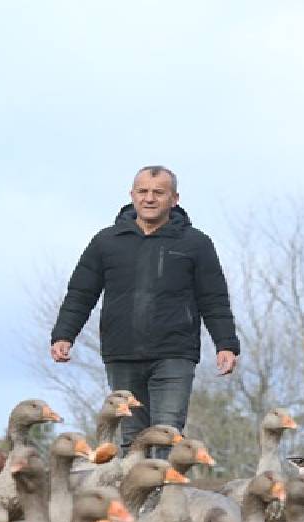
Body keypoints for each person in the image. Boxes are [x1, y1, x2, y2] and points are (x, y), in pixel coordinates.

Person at [50, 166, 240, 456]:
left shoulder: (195, 243)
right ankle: (134, 501)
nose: (149, 198)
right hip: (122, 353)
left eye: (158, 192)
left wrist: (226, 344)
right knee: (131, 438)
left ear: (174, 199)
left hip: (175, 354)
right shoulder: (106, 242)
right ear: (132, 195)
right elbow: (80, 293)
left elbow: (213, 298)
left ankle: (164, 501)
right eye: (143, 191)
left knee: (168, 435)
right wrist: (64, 335)